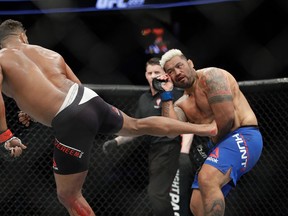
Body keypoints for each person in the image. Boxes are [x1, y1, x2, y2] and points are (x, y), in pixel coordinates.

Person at [0, 19, 217, 216]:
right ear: (22, 37)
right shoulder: (49, 53)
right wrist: (34, 110)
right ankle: (205, 128)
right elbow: (75, 89)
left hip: (69, 117)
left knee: (69, 196)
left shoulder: (2, 57)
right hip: (88, 100)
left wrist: (5, 135)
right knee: (136, 124)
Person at [156, 49, 263, 216]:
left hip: (243, 135)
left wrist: (209, 146)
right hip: (219, 145)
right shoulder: (182, 103)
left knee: (207, 178)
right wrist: (166, 94)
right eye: (171, 71)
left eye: (180, 66)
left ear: (190, 63)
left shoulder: (211, 77)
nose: (177, 72)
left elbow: (226, 119)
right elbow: (170, 130)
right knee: (197, 205)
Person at [103, 57, 194, 216]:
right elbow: (137, 128)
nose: (153, 76)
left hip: (173, 149)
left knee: (171, 197)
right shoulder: (144, 99)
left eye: (156, 72)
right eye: (150, 72)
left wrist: (184, 152)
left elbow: (186, 124)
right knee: (159, 198)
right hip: (155, 153)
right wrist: (116, 141)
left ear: (164, 75)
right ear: (145, 75)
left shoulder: (174, 94)